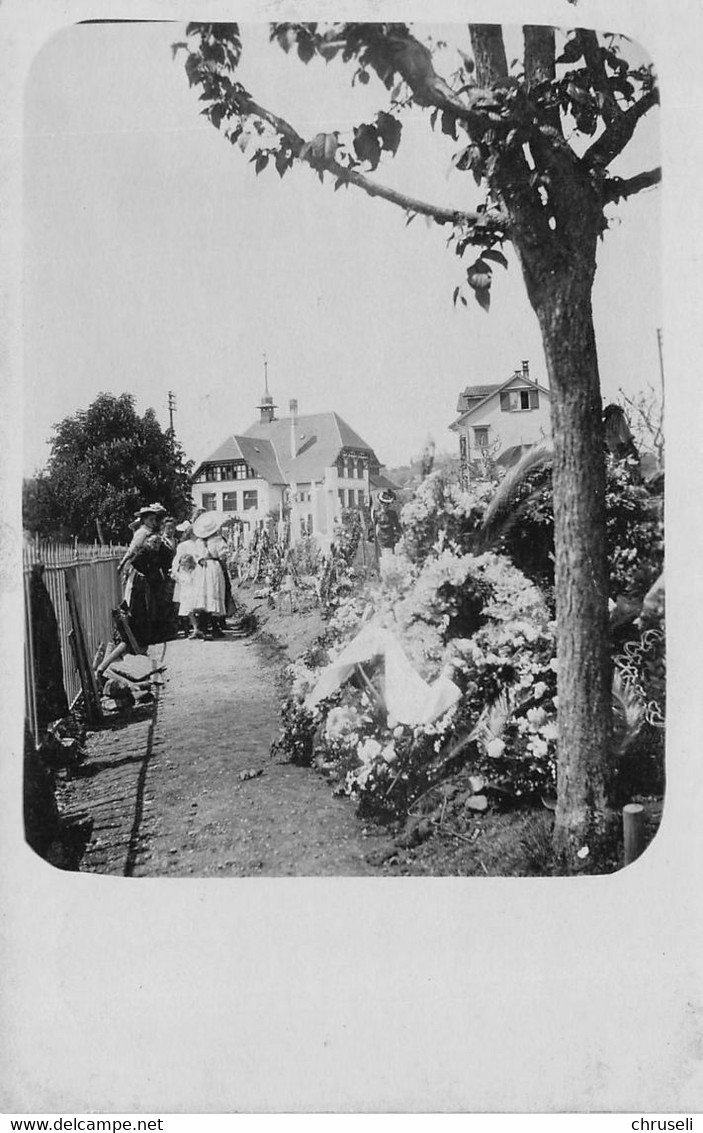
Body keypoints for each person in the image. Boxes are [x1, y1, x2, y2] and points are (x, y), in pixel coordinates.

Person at [115, 505, 166, 650]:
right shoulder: (142, 532)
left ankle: (148, 633)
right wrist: (123, 563)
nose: (153, 522)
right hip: (139, 569)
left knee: (148, 602)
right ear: (144, 520)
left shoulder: (151, 532)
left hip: (148, 569)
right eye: (150, 519)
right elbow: (132, 550)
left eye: (154, 519)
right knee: (138, 601)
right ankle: (139, 634)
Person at [190, 511, 230, 639]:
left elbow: (196, 556)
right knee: (215, 592)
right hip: (213, 567)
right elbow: (223, 555)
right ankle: (214, 627)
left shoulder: (198, 542)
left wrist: (200, 559)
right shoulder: (218, 540)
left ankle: (204, 627)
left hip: (202, 569)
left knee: (204, 594)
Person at [170, 521, 199, 638]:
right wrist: (176, 574)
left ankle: (197, 628)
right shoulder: (184, 545)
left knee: (194, 603)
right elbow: (177, 561)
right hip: (186, 575)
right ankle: (188, 628)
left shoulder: (200, 543)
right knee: (186, 603)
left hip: (194, 574)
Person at [370, 489, 402, 573]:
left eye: (387, 505)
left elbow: (397, 526)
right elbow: (372, 526)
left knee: (390, 556)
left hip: (390, 538)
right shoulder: (377, 514)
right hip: (381, 538)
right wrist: (371, 535)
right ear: (381, 504)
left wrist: (397, 535)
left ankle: (390, 572)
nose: (385, 507)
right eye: (384, 504)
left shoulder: (392, 514)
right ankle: (384, 572)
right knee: (383, 557)